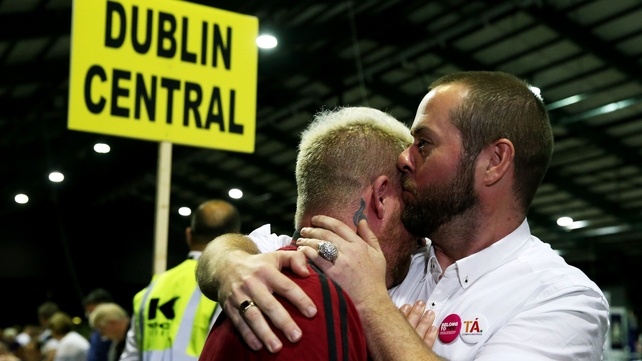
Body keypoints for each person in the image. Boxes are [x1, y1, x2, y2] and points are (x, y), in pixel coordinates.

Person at [196, 71, 610, 360]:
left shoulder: (562, 298)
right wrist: (233, 264)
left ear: (495, 161)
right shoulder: (397, 254)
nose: (404, 158)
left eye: (423, 144)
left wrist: (373, 305)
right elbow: (262, 247)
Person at [198, 107, 435, 360]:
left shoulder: (268, 267)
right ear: (380, 196)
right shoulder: (278, 287)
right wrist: (230, 263)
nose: (419, 239)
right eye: (408, 207)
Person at [119, 199, 241, 361]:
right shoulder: (231, 286)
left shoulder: (149, 290)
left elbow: (130, 357)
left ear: (189, 234)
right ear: (236, 238)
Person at [82, 289, 114, 361]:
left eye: (93, 312)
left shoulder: (118, 332)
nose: (90, 316)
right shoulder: (96, 333)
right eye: (88, 312)